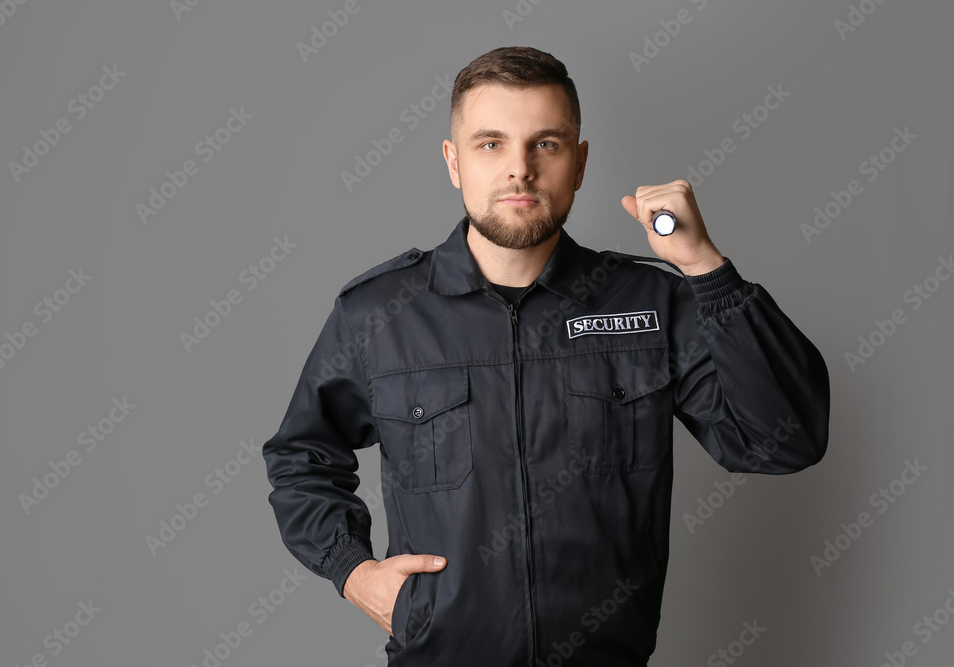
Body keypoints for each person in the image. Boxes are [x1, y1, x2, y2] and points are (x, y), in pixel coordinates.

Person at [262, 46, 830, 666]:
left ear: (579, 163)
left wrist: (708, 271)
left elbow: (784, 443)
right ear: (453, 162)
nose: (520, 170)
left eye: (547, 144)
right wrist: (353, 571)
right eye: (490, 144)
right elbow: (300, 456)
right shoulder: (379, 314)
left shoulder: (651, 301)